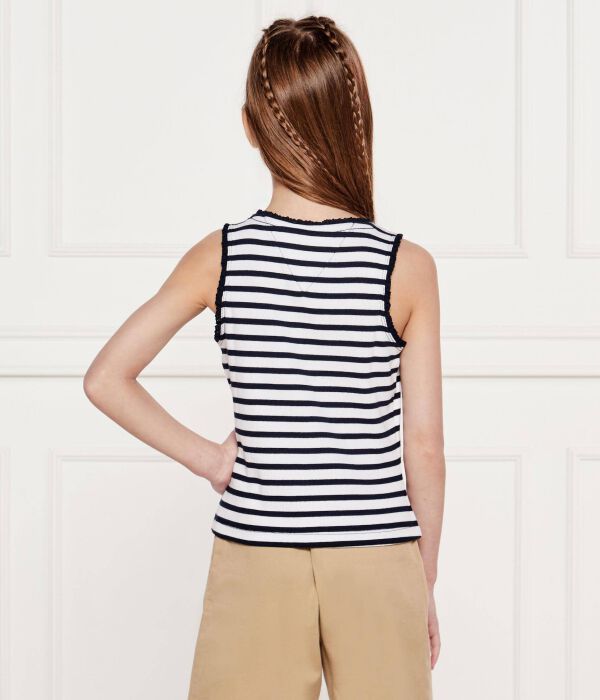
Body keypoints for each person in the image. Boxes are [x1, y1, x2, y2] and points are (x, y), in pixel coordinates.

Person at [83, 14, 445, 700]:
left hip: (257, 550)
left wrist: (211, 460)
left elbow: (106, 378)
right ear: (356, 120)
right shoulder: (405, 267)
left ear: (251, 127)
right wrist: (421, 581)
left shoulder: (222, 257)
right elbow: (423, 448)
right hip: (376, 556)